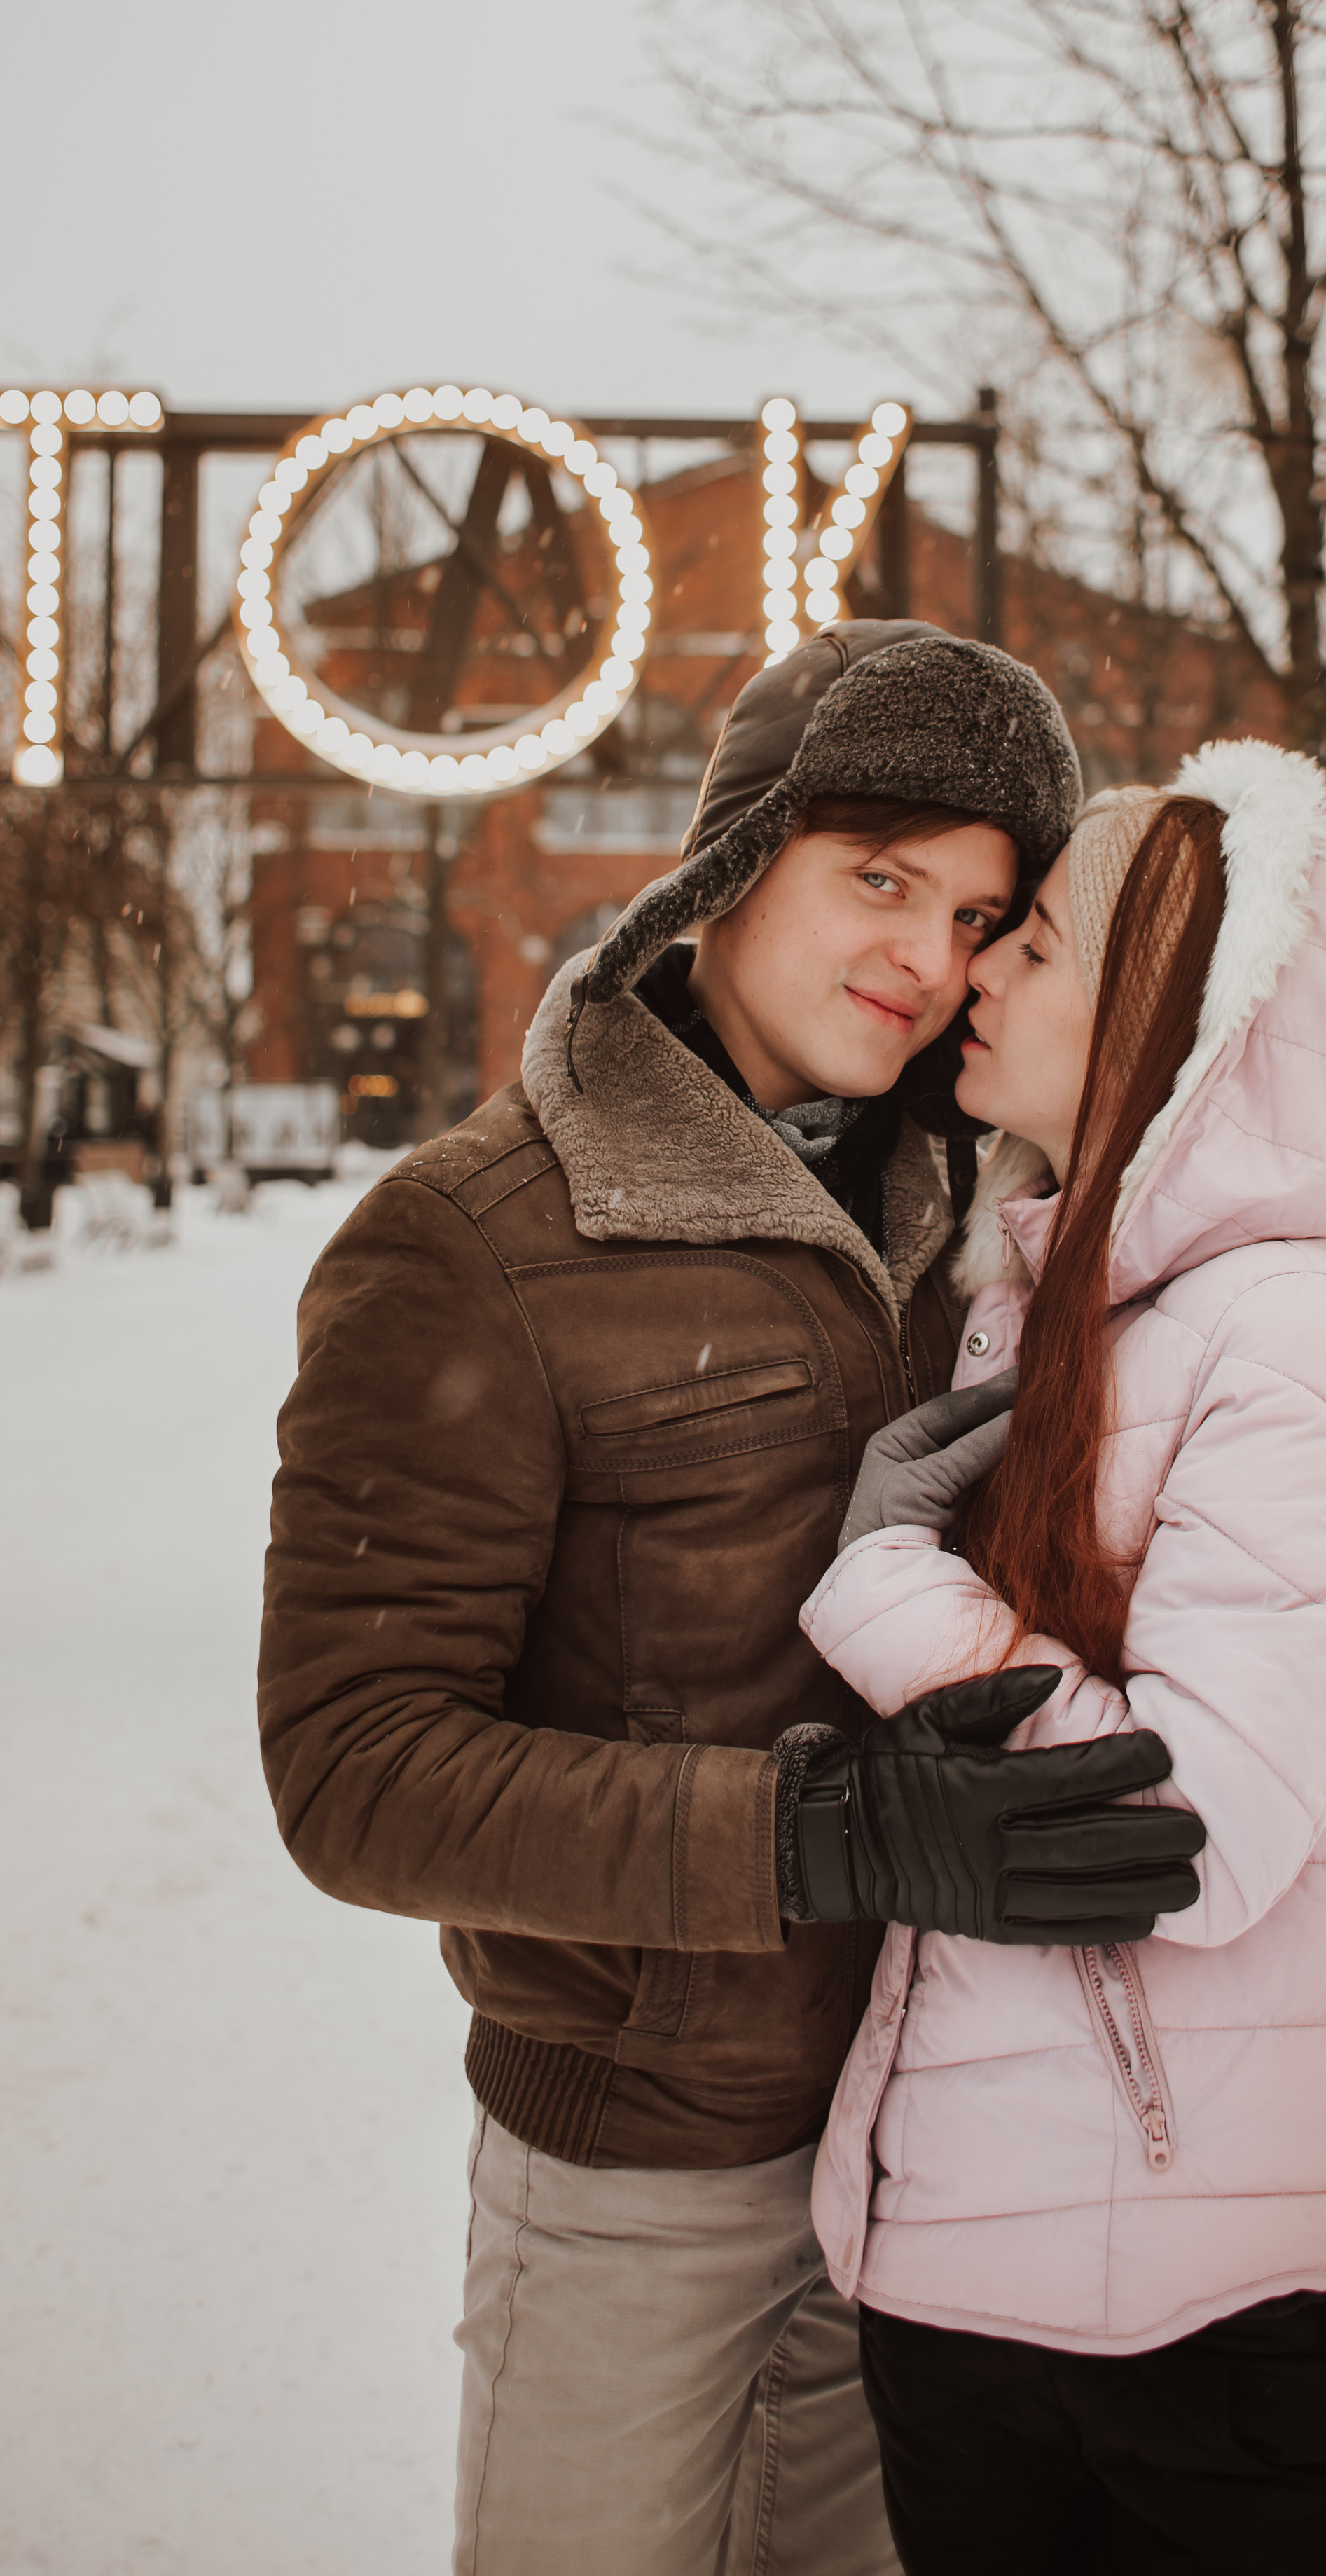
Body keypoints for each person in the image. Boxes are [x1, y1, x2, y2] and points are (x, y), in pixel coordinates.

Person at [258, 621, 1206, 2576]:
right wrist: (816, 1833)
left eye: (982, 916)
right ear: (732, 862)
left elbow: (1048, 1576)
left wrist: (1315, 1487)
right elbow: (355, 1770)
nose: (928, 958)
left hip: (931, 2134)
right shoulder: (474, 1243)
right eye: (883, 878)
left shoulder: (979, 1229)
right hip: (637, 2169)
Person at [782, 740, 1326, 2576]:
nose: (983, 968)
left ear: (1185, 1022)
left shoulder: (1286, 1327)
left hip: (1232, 2319)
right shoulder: (1046, 1311)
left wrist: (886, 1576)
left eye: (1038, 944)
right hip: (982, 2289)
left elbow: (1183, 1834)